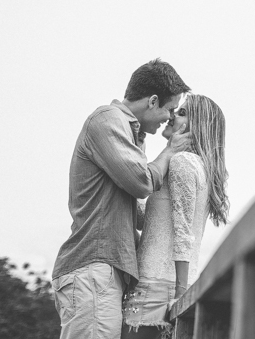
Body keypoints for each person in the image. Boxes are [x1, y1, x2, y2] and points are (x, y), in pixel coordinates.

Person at [51, 59, 191, 339]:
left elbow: (136, 213)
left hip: (102, 272)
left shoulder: (130, 134)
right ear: (153, 101)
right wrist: (169, 151)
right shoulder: (107, 120)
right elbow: (141, 182)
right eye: (169, 108)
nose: (169, 117)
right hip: (92, 269)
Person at [122, 94, 229, 339]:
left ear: (197, 126)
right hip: (164, 284)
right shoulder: (189, 164)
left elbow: (183, 232)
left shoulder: (182, 163)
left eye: (181, 113)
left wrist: (179, 295)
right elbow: (146, 221)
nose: (171, 116)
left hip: (158, 288)